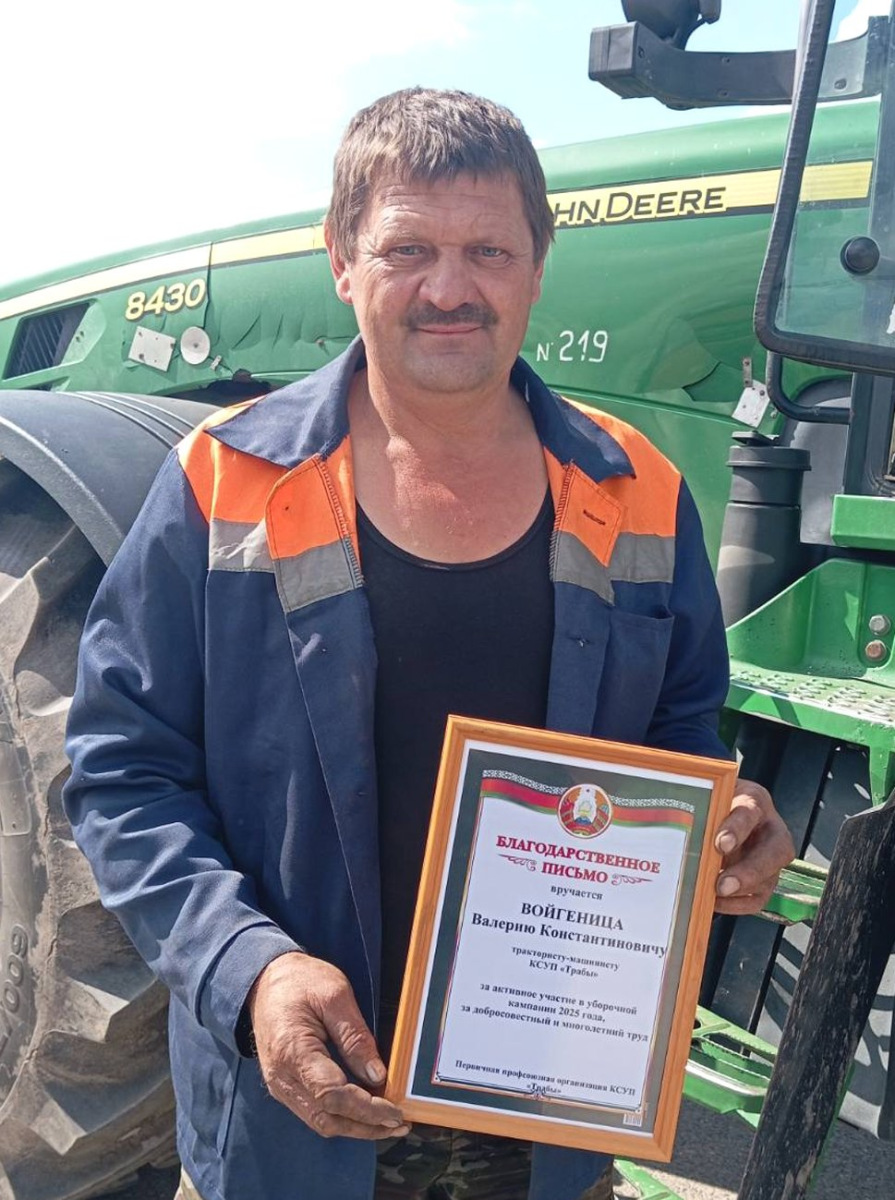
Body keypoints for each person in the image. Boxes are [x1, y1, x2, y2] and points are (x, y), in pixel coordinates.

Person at [63, 87, 794, 1200]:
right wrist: (247, 968)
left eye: (487, 251)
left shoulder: (635, 488)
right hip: (292, 1130)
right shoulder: (223, 482)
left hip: (548, 1127)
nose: (450, 288)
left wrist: (717, 820)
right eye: (408, 249)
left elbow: (676, 727)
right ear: (341, 260)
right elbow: (124, 771)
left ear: (537, 267)